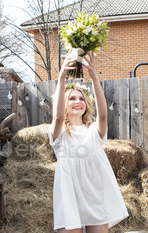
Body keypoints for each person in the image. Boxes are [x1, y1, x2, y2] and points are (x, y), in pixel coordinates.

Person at [48, 49, 129, 233]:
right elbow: (58, 117)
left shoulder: (93, 132)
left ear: (86, 105)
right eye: (72, 99)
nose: (78, 101)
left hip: (95, 197)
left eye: (81, 98)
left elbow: (103, 114)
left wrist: (93, 76)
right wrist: (61, 77)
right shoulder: (58, 134)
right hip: (69, 196)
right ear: (64, 104)